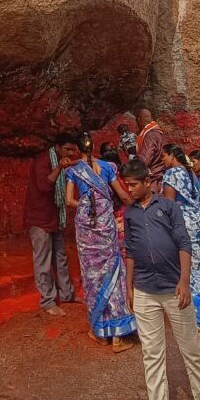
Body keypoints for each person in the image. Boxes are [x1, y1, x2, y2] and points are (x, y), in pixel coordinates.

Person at [121, 158, 200, 400]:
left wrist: (184, 282)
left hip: (174, 288)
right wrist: (129, 286)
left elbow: (184, 243)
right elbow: (130, 249)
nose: (129, 189)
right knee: (152, 354)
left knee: (192, 351)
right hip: (144, 288)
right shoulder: (130, 212)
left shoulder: (168, 207)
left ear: (147, 182)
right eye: (126, 184)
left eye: (133, 184)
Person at [66, 131, 137, 350]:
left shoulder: (73, 171)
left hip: (86, 228)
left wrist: (86, 206)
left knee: (92, 275)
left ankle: (100, 330)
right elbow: (124, 196)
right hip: (106, 224)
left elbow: (69, 201)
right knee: (114, 270)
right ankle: (118, 335)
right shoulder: (108, 167)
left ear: (78, 149)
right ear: (93, 146)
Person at [160, 143, 200, 335]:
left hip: (183, 222)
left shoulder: (170, 174)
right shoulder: (191, 173)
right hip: (199, 221)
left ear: (171, 155)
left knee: (189, 271)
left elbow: (170, 204)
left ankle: (197, 321)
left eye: (164, 156)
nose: (163, 160)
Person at [24, 133, 79, 317]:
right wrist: (59, 167)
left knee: (60, 257)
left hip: (54, 218)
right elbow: (44, 186)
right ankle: (47, 301)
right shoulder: (43, 161)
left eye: (73, 150)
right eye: (67, 149)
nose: (70, 153)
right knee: (43, 260)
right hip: (39, 219)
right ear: (57, 147)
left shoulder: (62, 160)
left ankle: (67, 294)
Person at [135, 108, 167, 190]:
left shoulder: (150, 134)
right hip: (161, 174)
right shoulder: (158, 132)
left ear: (138, 120)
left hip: (154, 177)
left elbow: (145, 160)